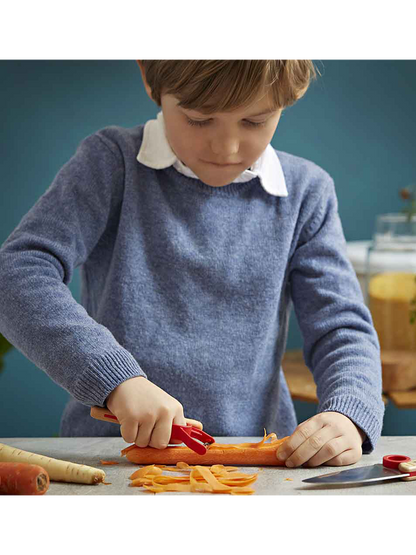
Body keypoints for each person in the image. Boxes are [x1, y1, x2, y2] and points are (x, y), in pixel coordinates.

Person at [0, 57, 384, 468]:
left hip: (258, 464)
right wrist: (116, 379)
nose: (227, 147)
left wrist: (350, 412)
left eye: (254, 121)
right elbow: (17, 274)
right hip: (109, 458)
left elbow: (341, 327)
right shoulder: (110, 164)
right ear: (150, 77)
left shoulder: (308, 192)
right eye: (200, 120)